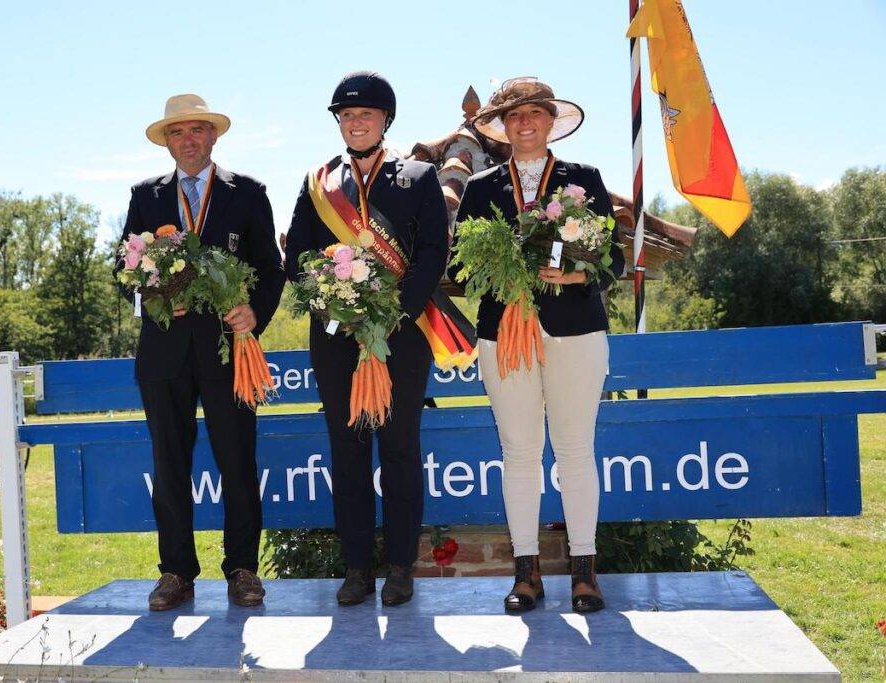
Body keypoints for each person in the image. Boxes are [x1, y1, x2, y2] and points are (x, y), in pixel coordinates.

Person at [453, 77, 626, 614]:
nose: (524, 123)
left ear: (552, 121)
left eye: (535, 113)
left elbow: (614, 261)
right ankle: (525, 574)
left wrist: (575, 277)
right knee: (520, 454)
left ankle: (584, 573)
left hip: (577, 330)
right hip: (505, 333)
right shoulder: (481, 188)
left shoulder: (584, 179)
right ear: (502, 127)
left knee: (576, 452)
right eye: (514, 115)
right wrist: (503, 275)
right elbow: (465, 268)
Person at [284, 71, 454, 607]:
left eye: (366, 115)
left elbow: (432, 254)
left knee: (401, 449)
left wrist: (392, 312)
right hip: (336, 338)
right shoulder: (317, 183)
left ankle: (401, 566)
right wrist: (340, 305)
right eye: (347, 115)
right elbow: (298, 262)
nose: (356, 123)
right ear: (339, 122)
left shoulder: (419, 176)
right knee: (348, 451)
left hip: (402, 336)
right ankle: (357, 568)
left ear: (386, 120)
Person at [113, 93, 285, 611]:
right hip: (163, 355)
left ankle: (242, 569)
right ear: (167, 143)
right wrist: (154, 292)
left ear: (213, 136)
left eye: (196, 131)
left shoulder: (248, 193)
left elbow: (271, 269)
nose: (187, 141)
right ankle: (176, 573)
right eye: (176, 133)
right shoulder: (145, 196)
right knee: (169, 466)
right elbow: (125, 273)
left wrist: (255, 312)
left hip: (230, 352)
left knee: (237, 461)